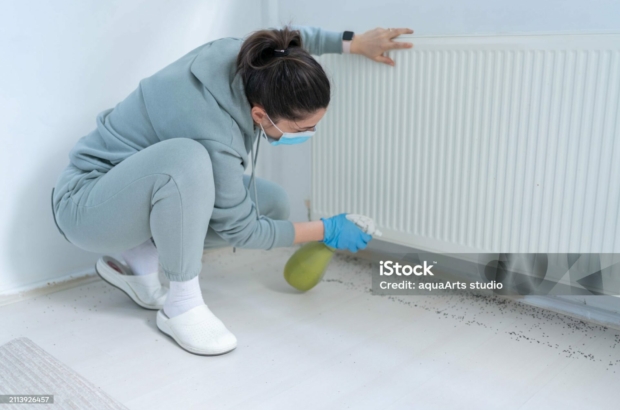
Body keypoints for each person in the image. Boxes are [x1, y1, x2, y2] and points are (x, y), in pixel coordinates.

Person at [50, 24, 414, 355]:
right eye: (301, 128)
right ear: (260, 115)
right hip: (87, 205)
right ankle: (182, 305)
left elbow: (290, 40)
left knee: (271, 201)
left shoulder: (250, 59)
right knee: (187, 159)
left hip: (137, 190)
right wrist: (326, 229)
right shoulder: (213, 130)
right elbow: (240, 229)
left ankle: (138, 256)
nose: (307, 136)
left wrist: (351, 43)